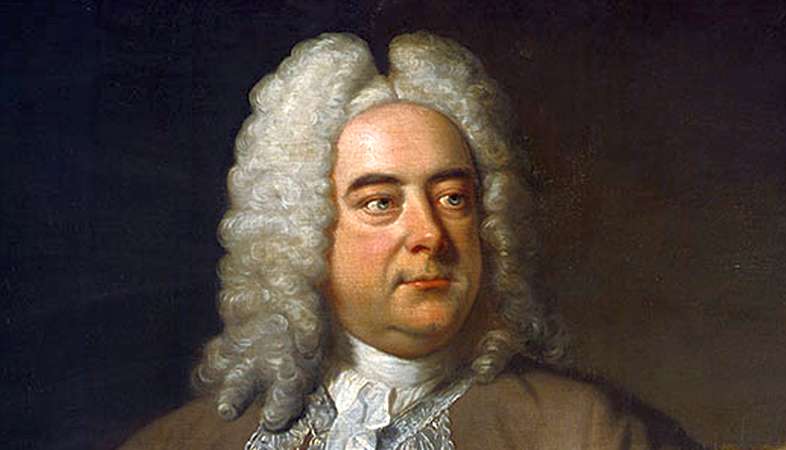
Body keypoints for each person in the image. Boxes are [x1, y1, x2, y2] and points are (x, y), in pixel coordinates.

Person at [120, 31, 697, 450]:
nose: (429, 235)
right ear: (302, 236)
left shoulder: (586, 431)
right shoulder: (183, 443)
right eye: (381, 202)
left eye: (452, 198)